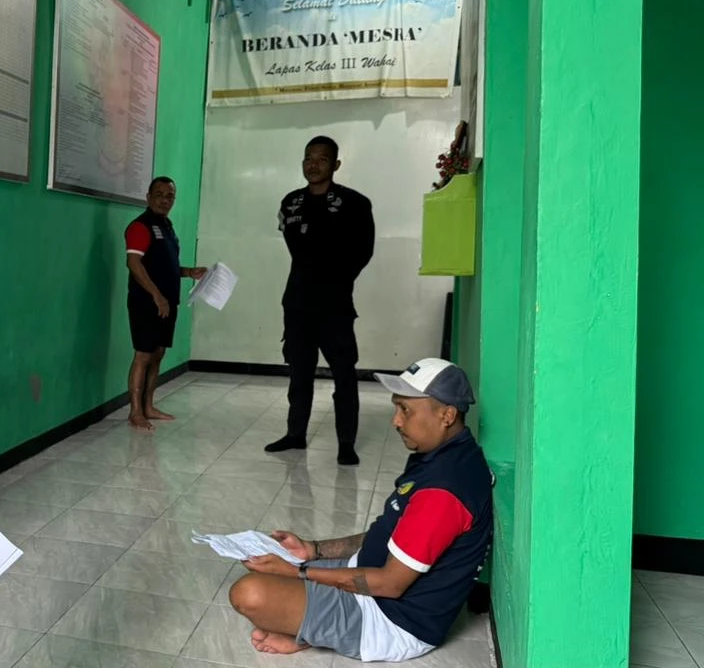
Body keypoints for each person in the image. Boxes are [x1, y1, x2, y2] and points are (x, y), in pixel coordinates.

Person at [230, 358, 493, 663]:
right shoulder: (446, 455)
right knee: (266, 564)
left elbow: (390, 585)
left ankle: (312, 632)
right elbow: (390, 534)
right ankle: (310, 625)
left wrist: (297, 572)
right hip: (370, 574)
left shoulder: (444, 492)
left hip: (390, 621)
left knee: (249, 593)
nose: (396, 421)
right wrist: (312, 550)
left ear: (446, 415)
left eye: (405, 410)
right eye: (396, 408)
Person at [266, 136, 375, 465]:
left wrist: (336, 280)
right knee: (299, 373)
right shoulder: (291, 202)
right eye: (308, 158)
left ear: (336, 164)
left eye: (322, 159)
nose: (313, 165)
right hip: (297, 303)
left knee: (344, 375)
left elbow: (363, 251)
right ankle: (295, 434)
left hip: (334, 305)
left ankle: (346, 443)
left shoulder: (355, 203)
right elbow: (296, 248)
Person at [124, 177, 206, 430]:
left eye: (169, 196)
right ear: (148, 197)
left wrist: (189, 272)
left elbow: (164, 266)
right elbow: (134, 264)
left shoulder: (167, 226)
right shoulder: (140, 226)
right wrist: (156, 295)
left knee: (158, 354)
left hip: (167, 303)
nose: (164, 200)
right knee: (143, 355)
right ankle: (135, 411)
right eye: (159, 194)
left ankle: (148, 406)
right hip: (145, 302)